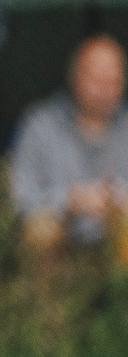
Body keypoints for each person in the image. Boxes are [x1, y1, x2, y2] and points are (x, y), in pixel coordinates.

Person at [9, 33, 128, 256]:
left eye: (112, 82)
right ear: (76, 77)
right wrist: (72, 200)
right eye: (97, 80)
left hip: (117, 249)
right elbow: (21, 196)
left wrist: (116, 203)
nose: (105, 91)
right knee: (40, 229)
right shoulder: (40, 125)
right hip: (61, 244)